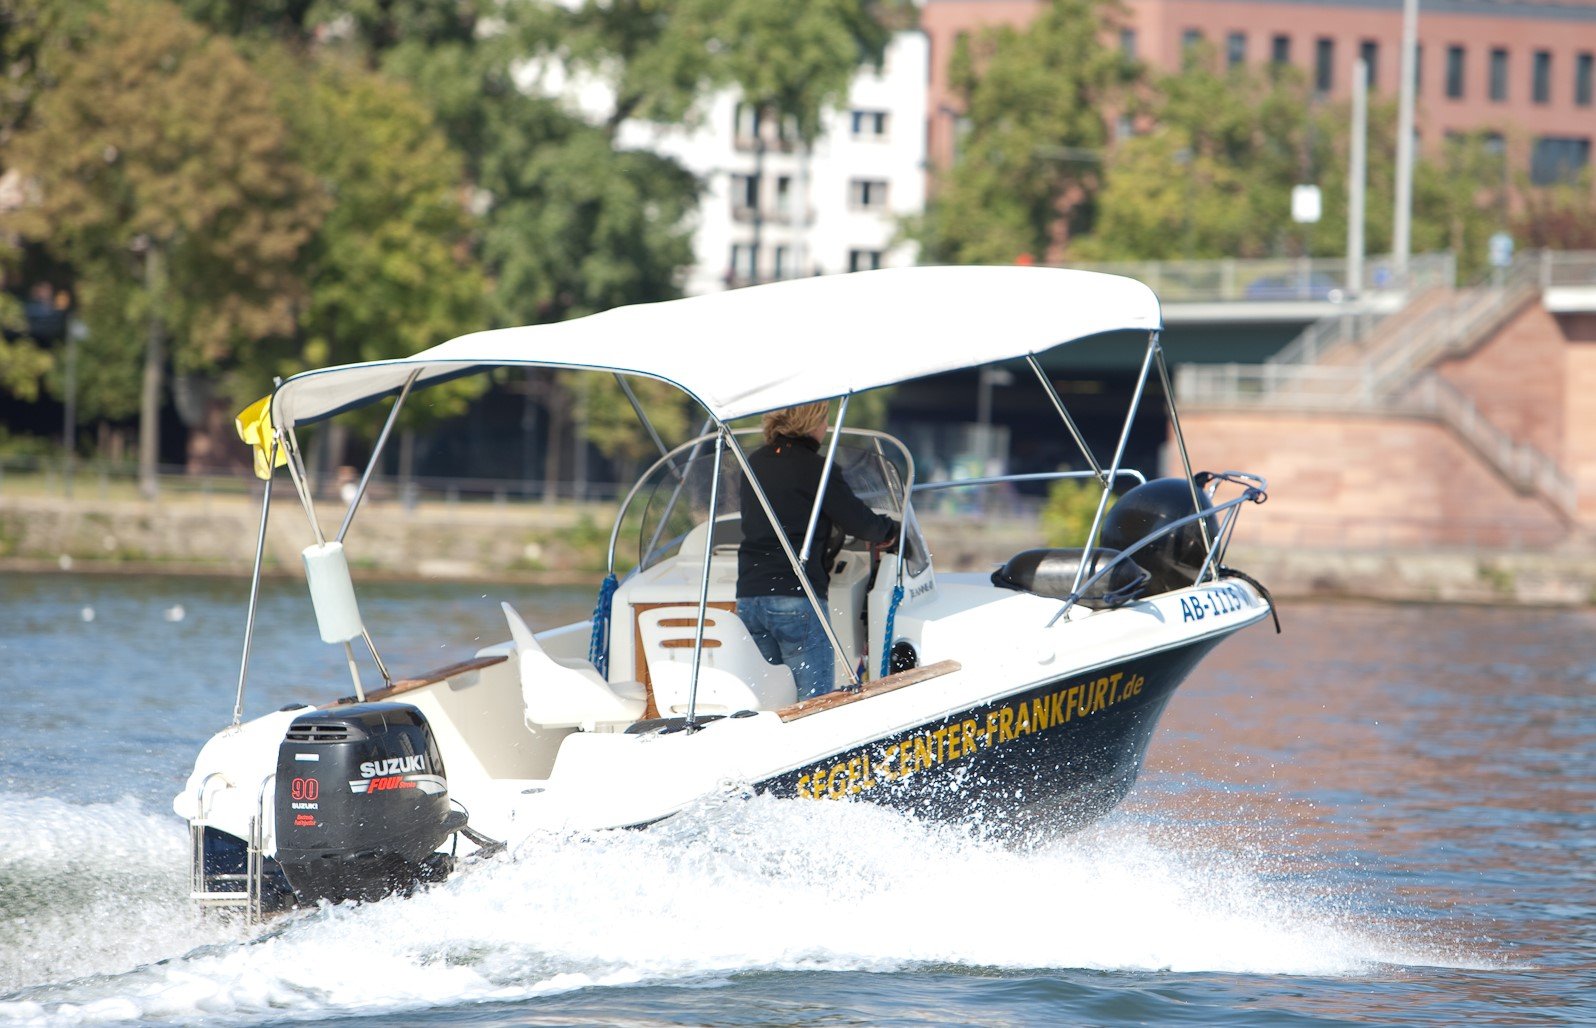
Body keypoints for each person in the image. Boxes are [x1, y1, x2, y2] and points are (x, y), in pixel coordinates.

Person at [736, 402, 898, 700]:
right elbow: (859, 522)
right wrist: (889, 531)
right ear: (810, 423)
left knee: (768, 698)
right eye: (824, 420)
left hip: (749, 597)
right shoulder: (816, 469)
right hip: (795, 597)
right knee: (815, 699)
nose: (826, 428)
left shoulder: (754, 462)